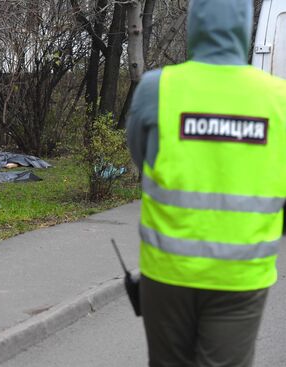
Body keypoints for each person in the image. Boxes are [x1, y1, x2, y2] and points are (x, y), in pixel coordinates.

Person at [126, 0, 286, 366]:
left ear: (194, 22)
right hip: (241, 278)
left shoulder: (157, 88)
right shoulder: (279, 100)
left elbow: (141, 157)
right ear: (246, 25)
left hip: (167, 273)